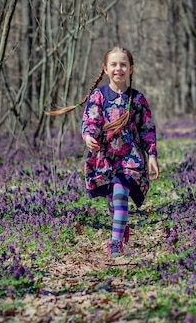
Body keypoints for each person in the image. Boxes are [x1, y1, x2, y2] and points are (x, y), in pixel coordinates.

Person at [46, 47, 160, 259]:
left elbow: (147, 128)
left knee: (120, 196)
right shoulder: (98, 96)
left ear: (131, 69)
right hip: (104, 157)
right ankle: (121, 225)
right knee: (112, 200)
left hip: (130, 158)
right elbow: (90, 120)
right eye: (114, 64)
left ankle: (115, 243)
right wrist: (88, 136)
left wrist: (152, 155)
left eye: (124, 64)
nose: (119, 68)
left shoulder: (137, 99)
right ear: (106, 69)